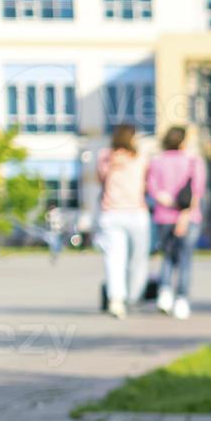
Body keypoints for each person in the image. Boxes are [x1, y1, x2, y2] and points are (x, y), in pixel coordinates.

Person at [145, 126, 207, 319]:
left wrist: (167, 201)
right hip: (188, 218)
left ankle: (164, 294)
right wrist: (184, 216)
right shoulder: (193, 161)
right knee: (185, 258)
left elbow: (152, 188)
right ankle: (181, 299)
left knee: (167, 257)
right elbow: (196, 191)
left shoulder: (157, 161)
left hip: (163, 216)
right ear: (183, 141)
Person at [94, 124, 151, 319]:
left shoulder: (105, 156)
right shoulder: (140, 158)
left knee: (114, 259)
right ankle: (133, 296)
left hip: (110, 213)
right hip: (136, 212)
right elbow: (147, 183)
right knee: (138, 258)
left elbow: (100, 179)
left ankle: (116, 299)